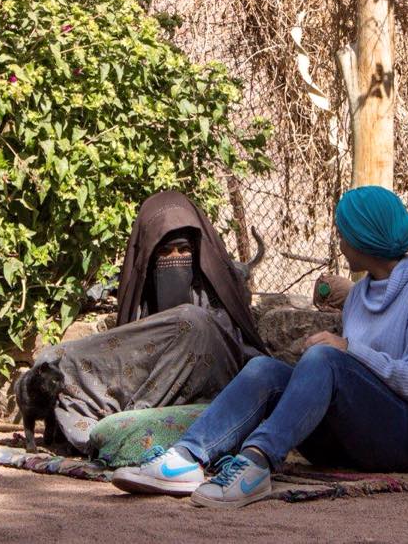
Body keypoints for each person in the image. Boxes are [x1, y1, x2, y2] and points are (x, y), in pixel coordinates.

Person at [111, 186, 408, 508]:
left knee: (327, 357)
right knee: (265, 368)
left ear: (364, 237)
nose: (340, 242)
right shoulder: (360, 296)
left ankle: (256, 464)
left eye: (344, 234)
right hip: (354, 440)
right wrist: (335, 357)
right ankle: (186, 458)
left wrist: (348, 349)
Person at [36, 190, 266, 452]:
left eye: (184, 250)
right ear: (150, 256)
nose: (175, 257)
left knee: (192, 320)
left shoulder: (218, 286)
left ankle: (131, 424)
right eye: (165, 252)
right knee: (52, 360)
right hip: (147, 383)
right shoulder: (141, 296)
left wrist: (196, 330)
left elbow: (242, 356)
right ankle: (125, 424)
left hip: (209, 393)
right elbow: (126, 352)